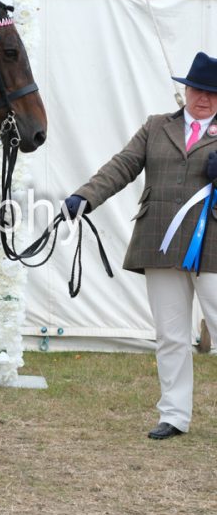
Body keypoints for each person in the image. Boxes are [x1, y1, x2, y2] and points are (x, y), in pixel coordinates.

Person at [64, 51, 217, 440]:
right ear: (186, 90)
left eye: (213, 93)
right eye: (199, 89)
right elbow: (123, 165)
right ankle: (174, 415)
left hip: (212, 245)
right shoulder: (156, 126)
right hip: (160, 241)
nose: (205, 98)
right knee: (170, 335)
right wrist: (85, 197)